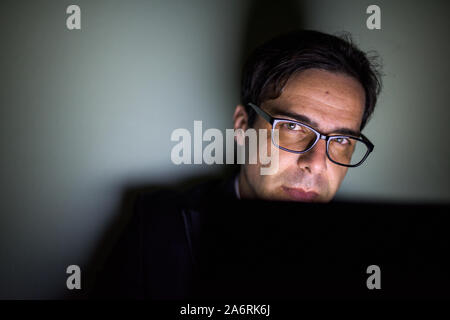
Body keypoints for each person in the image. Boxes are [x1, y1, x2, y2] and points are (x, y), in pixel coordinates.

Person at [90, 29, 383, 299]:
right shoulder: (158, 228)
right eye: (292, 127)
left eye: (343, 140)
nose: (316, 164)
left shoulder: (367, 254)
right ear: (243, 127)